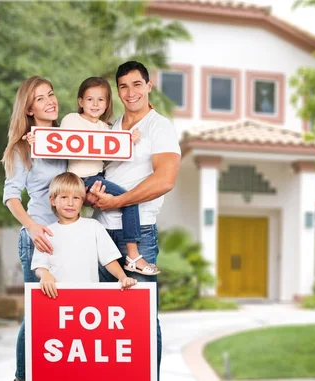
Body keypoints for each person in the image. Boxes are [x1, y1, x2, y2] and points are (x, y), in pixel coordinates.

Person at [88, 61, 182, 379]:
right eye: (124, 86)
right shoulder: (110, 128)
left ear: (149, 85)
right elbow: (94, 170)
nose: (131, 92)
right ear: (118, 89)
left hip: (137, 235)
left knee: (141, 317)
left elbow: (165, 179)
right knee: (102, 317)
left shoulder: (160, 127)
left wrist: (119, 201)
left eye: (137, 84)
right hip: (99, 231)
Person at [27, 76, 159, 276]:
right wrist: (36, 140)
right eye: (90, 99)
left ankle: (131, 256)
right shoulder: (71, 119)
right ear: (80, 101)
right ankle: (133, 256)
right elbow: (56, 144)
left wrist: (129, 141)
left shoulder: (105, 128)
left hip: (98, 177)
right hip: (80, 179)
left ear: (107, 104)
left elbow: (112, 153)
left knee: (126, 200)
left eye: (101, 100)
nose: (95, 104)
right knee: (129, 200)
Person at [1, 76, 67, 381]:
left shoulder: (68, 139)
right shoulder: (21, 149)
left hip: (69, 238)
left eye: (51, 95)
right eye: (41, 98)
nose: (50, 101)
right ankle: (21, 377)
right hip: (39, 239)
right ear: (29, 108)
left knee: (63, 316)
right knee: (38, 316)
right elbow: (11, 197)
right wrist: (33, 229)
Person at [32, 172, 137, 299]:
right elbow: (40, 266)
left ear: (82, 201)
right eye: (64, 197)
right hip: (57, 297)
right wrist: (44, 275)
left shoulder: (93, 226)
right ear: (53, 200)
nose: (70, 203)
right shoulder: (46, 233)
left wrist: (122, 277)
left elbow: (109, 259)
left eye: (76, 198)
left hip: (89, 296)